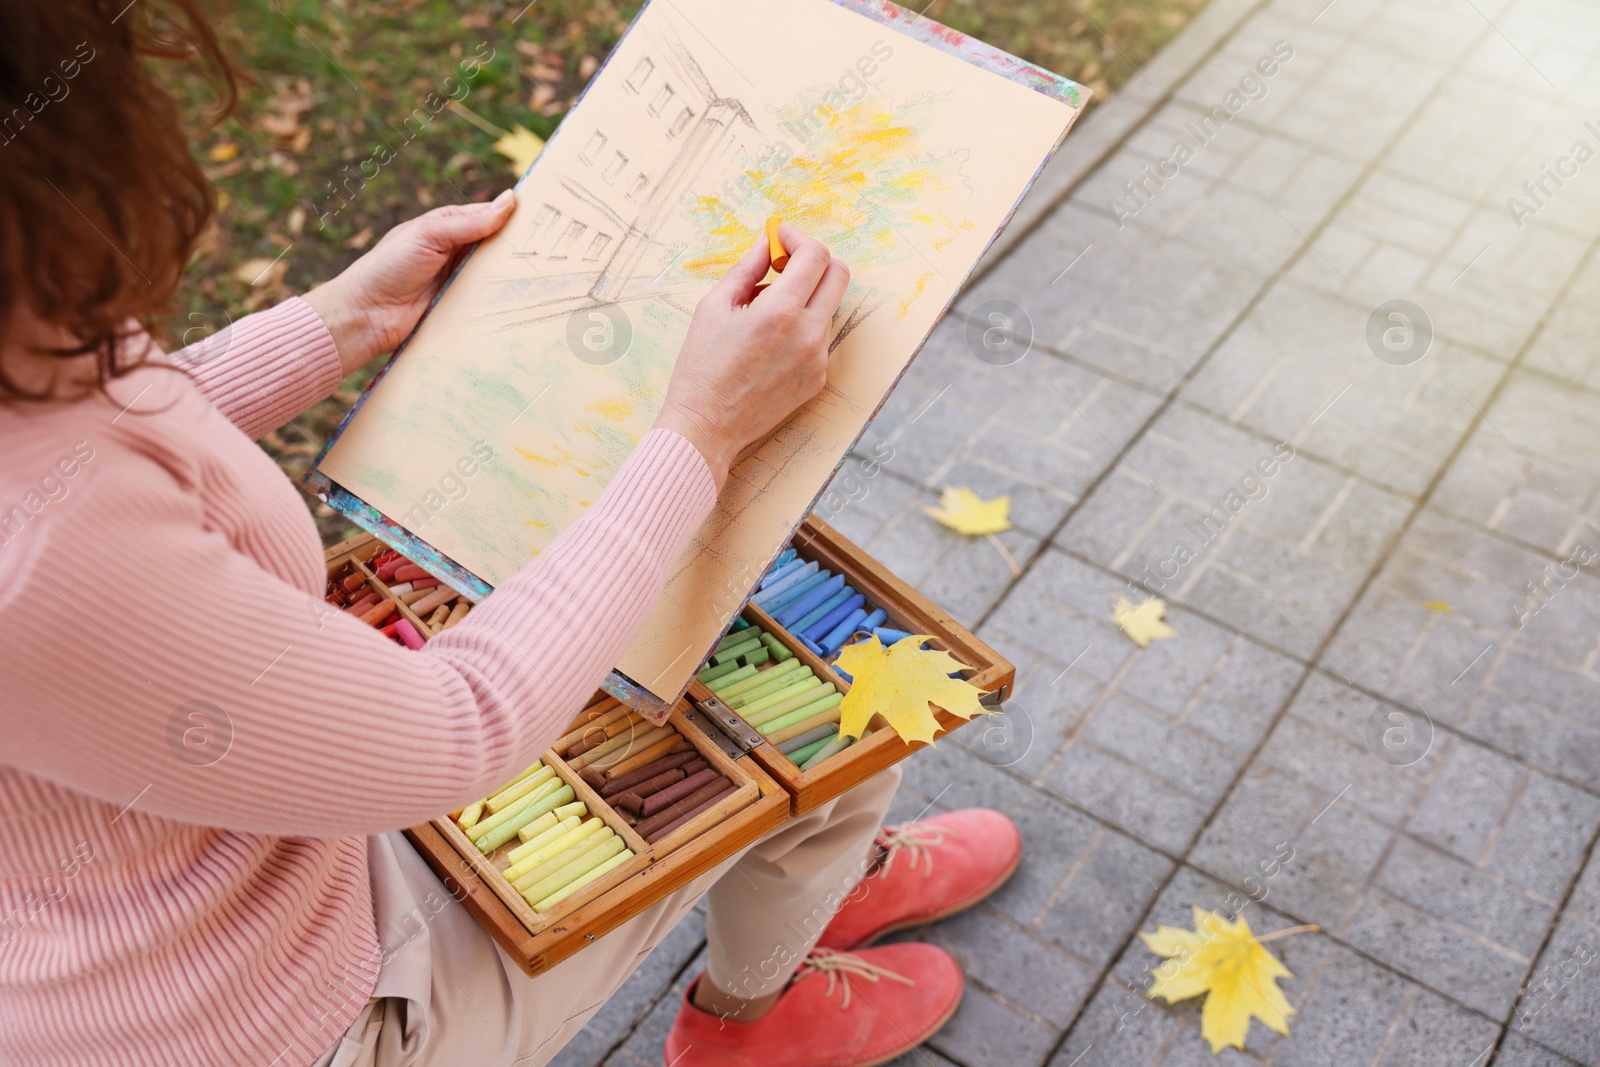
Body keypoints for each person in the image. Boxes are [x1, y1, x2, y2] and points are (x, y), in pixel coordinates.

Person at [0, 3, 1023, 1065]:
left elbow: (88, 420)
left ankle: (806, 890)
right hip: (296, 1014)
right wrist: (697, 432)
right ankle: (749, 1022)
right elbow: (458, 728)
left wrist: (340, 320)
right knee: (840, 739)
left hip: (243, 863)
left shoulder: (21, 347)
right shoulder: (33, 563)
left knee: (774, 673)